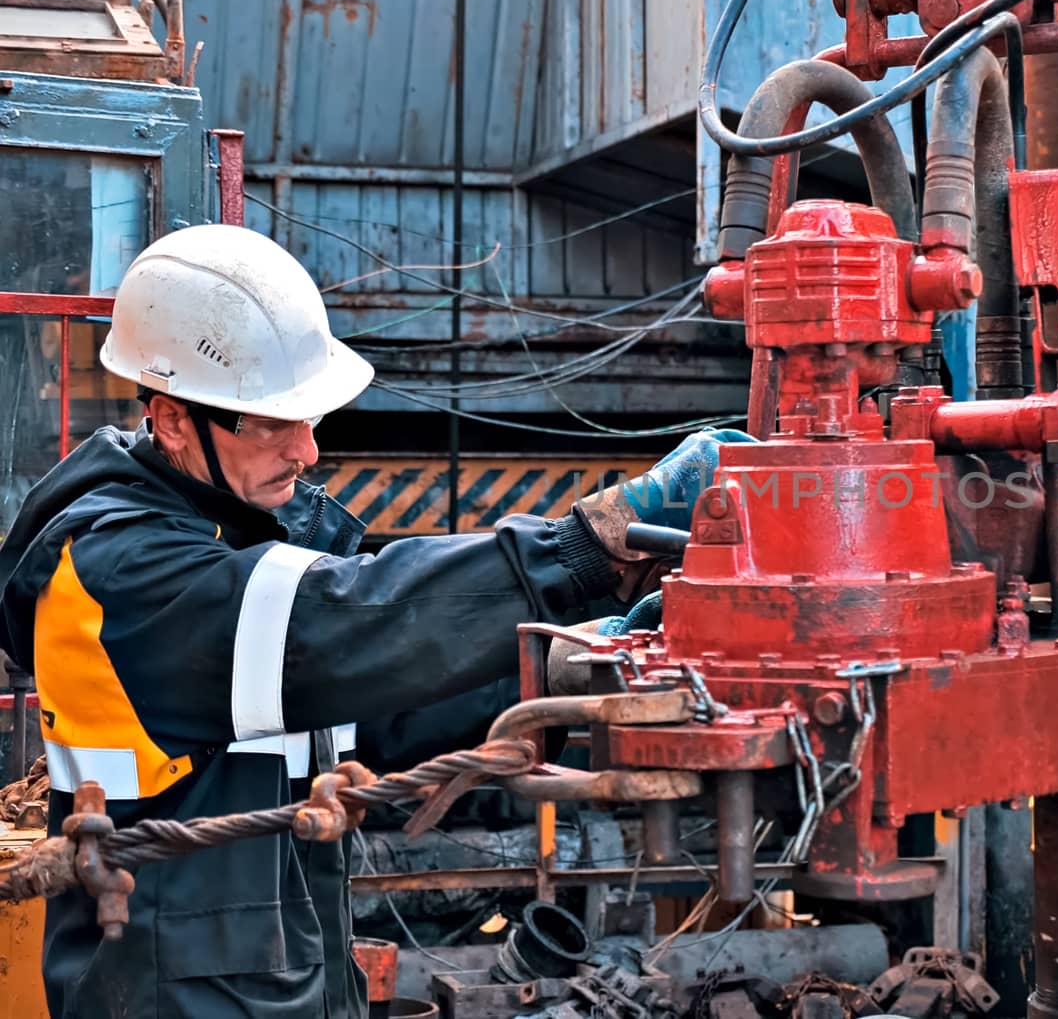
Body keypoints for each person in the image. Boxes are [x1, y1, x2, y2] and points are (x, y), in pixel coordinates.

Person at [0, 223, 750, 1018]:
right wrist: (579, 549)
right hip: (169, 995)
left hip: (278, 979)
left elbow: (376, 714)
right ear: (173, 417)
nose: (309, 450)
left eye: (310, 417)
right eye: (273, 423)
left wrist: (564, 664)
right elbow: (342, 624)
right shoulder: (118, 567)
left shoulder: (239, 529)